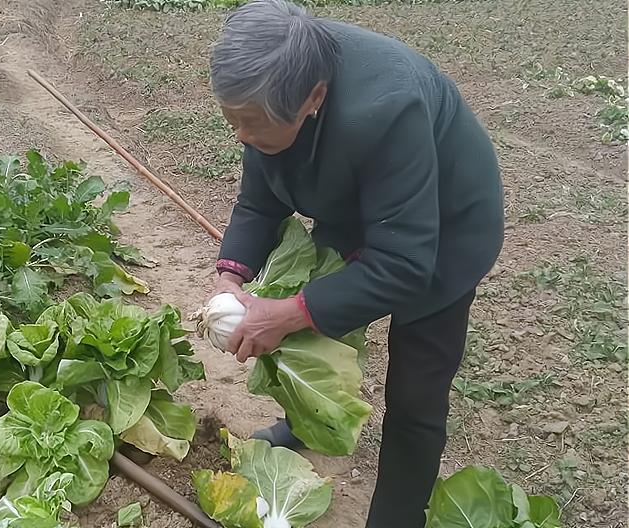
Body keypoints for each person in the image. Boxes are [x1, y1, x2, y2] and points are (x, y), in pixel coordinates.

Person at [205, 1, 504, 526]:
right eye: (231, 120)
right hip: (361, 202)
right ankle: (304, 425)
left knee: (416, 391)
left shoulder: (388, 107)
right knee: (315, 324)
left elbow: (405, 265)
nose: (239, 137)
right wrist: (233, 273)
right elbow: (258, 201)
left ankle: (398, 516)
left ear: (314, 98)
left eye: (250, 124)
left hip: (443, 230)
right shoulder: (274, 85)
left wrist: (287, 311)